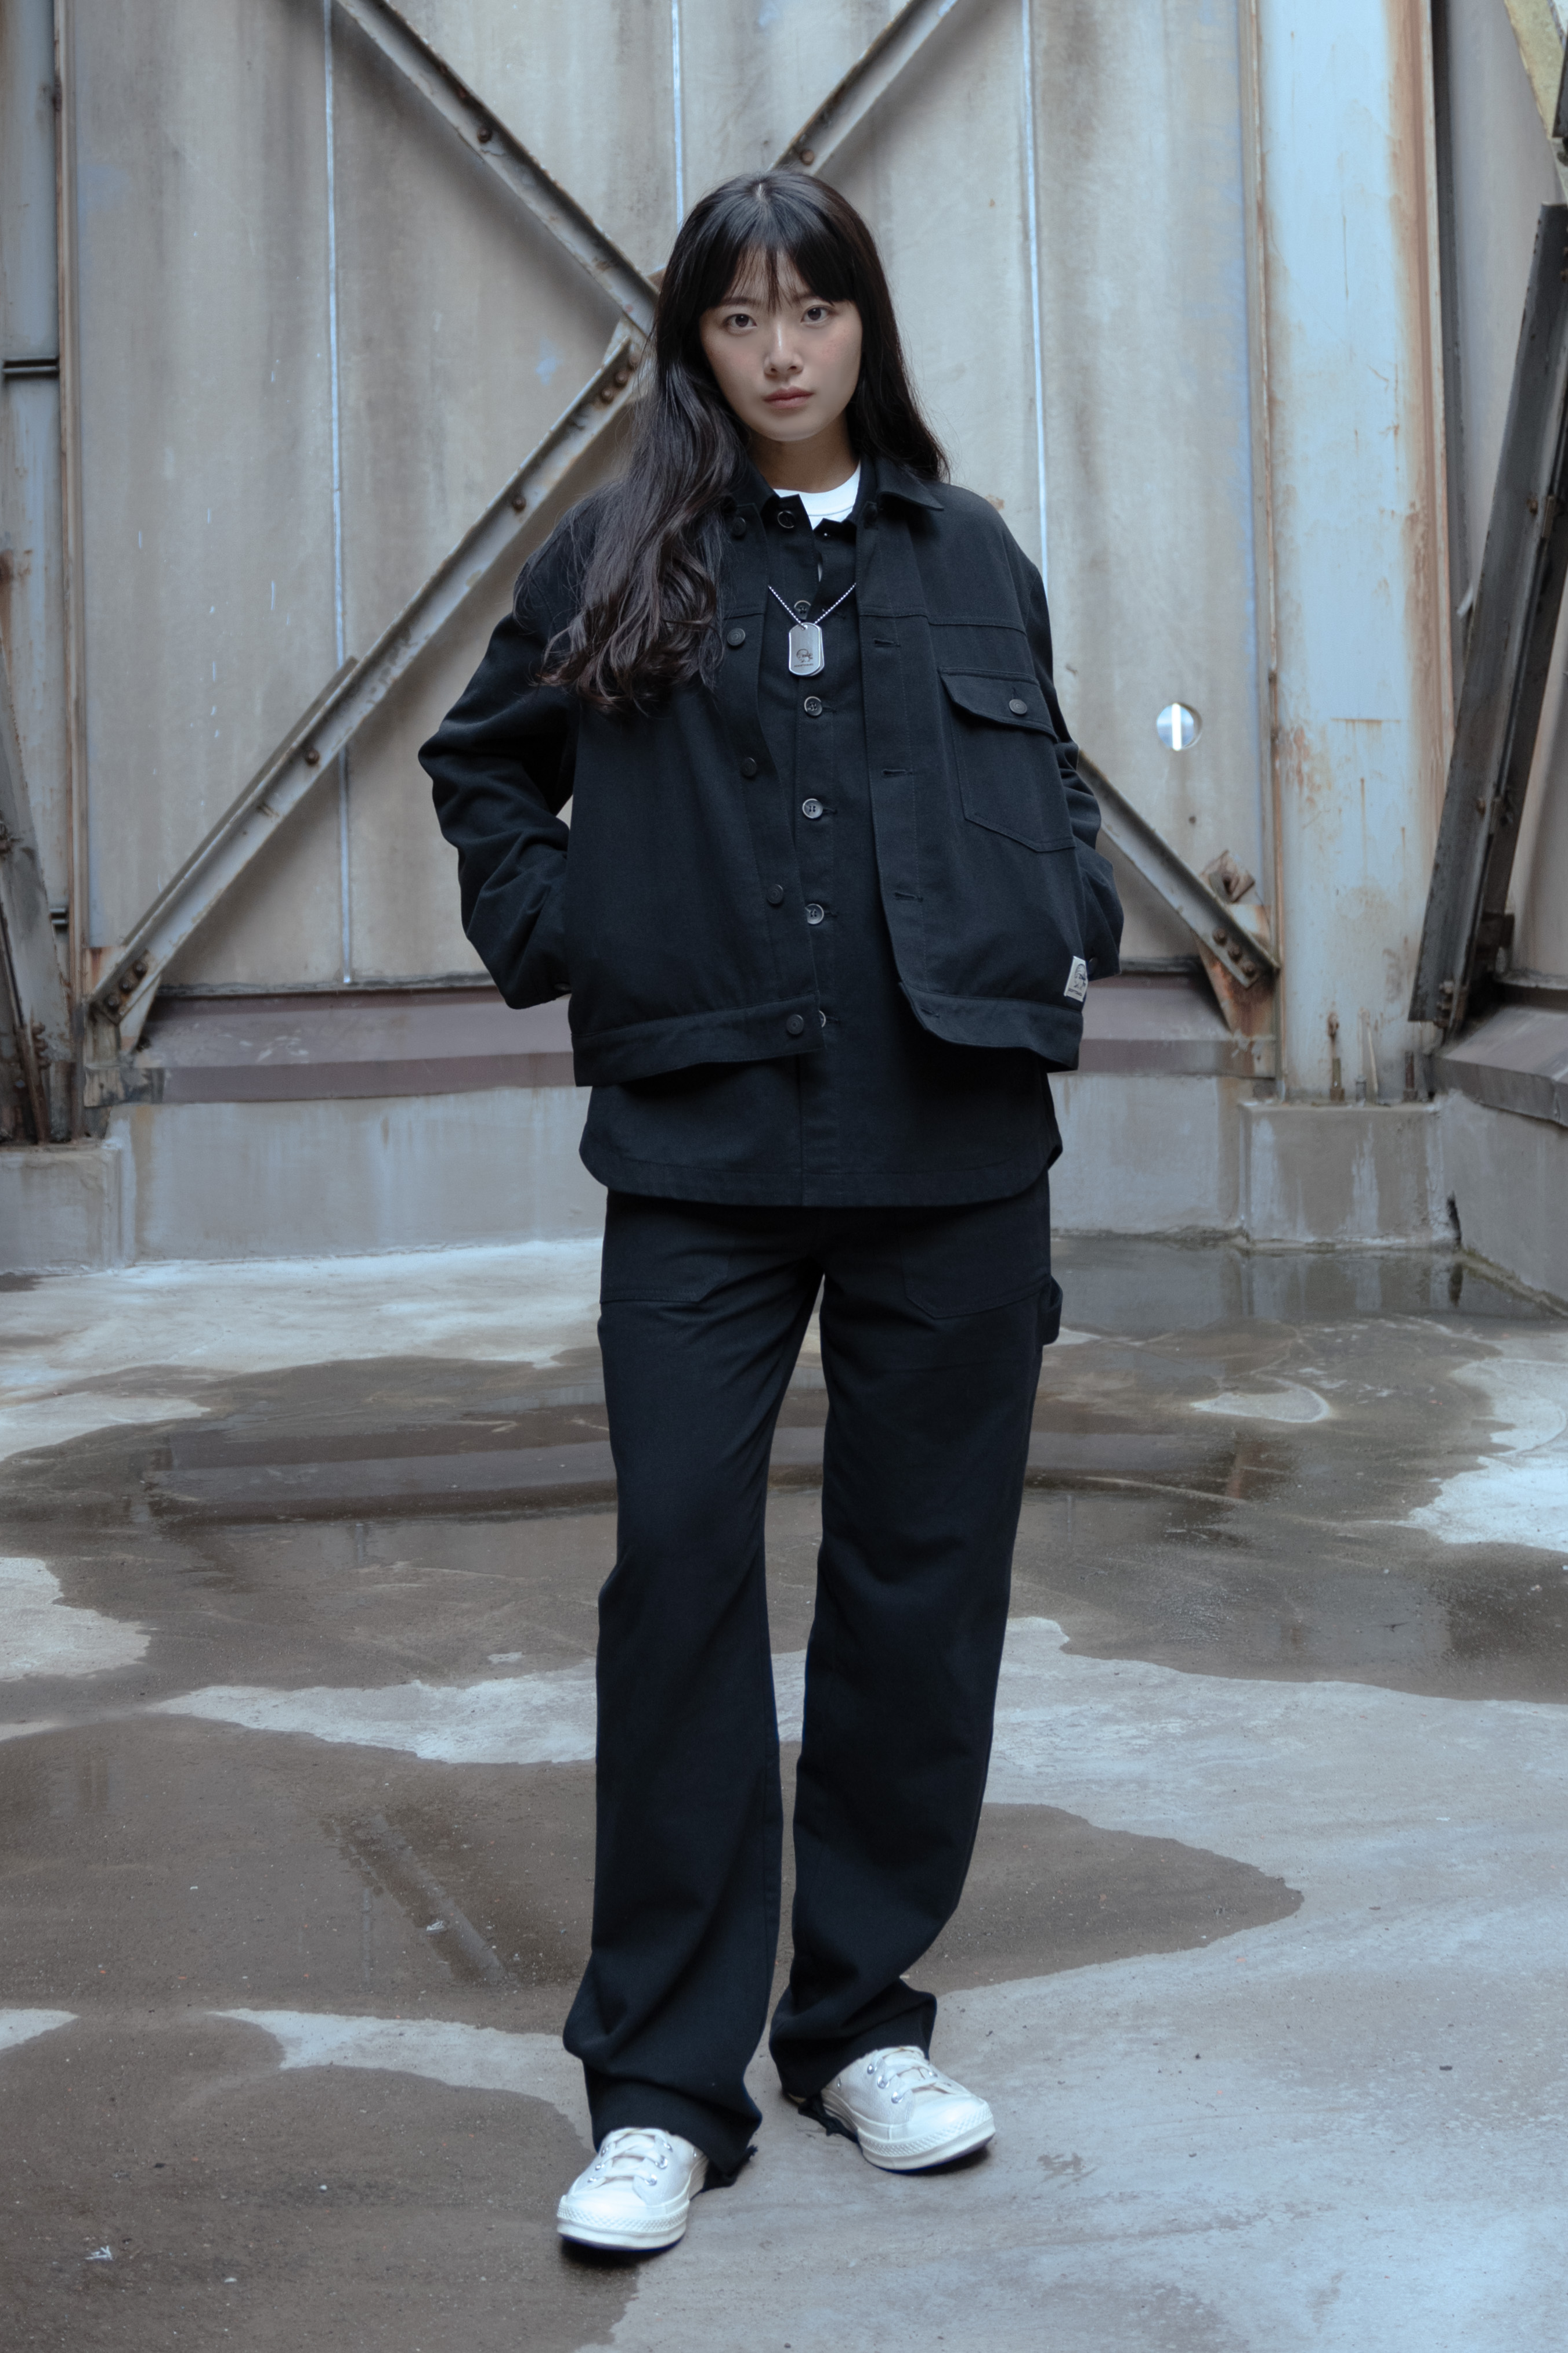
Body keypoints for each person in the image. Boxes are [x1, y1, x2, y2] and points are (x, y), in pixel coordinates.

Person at [421, 169, 1122, 2255]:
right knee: (680, 1578)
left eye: (815, 310)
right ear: (695, 346)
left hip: (953, 1143)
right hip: (703, 1155)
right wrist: (587, 934)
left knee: (923, 1588)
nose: (784, 350)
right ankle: (662, 2088)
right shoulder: (615, 553)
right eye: (741, 318)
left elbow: (1055, 782)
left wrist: (1068, 906)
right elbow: (485, 768)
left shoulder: (968, 554)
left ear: (865, 327)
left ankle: (860, 2027)